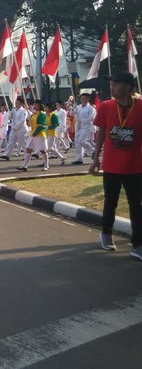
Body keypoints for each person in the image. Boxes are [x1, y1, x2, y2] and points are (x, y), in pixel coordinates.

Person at [89, 71, 142, 260]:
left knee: (136, 205)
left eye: (116, 84)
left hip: (135, 166)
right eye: (112, 84)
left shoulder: (141, 106)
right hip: (111, 165)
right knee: (110, 202)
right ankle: (106, 233)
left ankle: (137, 244)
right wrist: (96, 159)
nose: (112, 87)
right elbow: (101, 133)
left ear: (128, 88)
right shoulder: (106, 106)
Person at [17, 100, 48, 171]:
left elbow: (40, 125)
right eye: (34, 105)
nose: (35, 106)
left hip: (39, 134)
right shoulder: (33, 114)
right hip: (32, 134)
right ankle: (24, 166)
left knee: (43, 150)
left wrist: (35, 133)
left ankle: (46, 165)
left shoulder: (42, 114)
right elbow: (29, 123)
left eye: (37, 105)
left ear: (40, 106)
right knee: (28, 149)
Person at [71, 93, 97, 164]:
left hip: (87, 126)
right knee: (77, 143)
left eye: (85, 98)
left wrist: (82, 120)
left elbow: (92, 118)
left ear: (88, 99)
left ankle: (93, 151)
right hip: (79, 127)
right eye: (82, 98)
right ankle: (79, 159)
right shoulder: (78, 107)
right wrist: (73, 107)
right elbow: (71, 114)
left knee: (82, 141)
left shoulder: (91, 108)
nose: (83, 100)